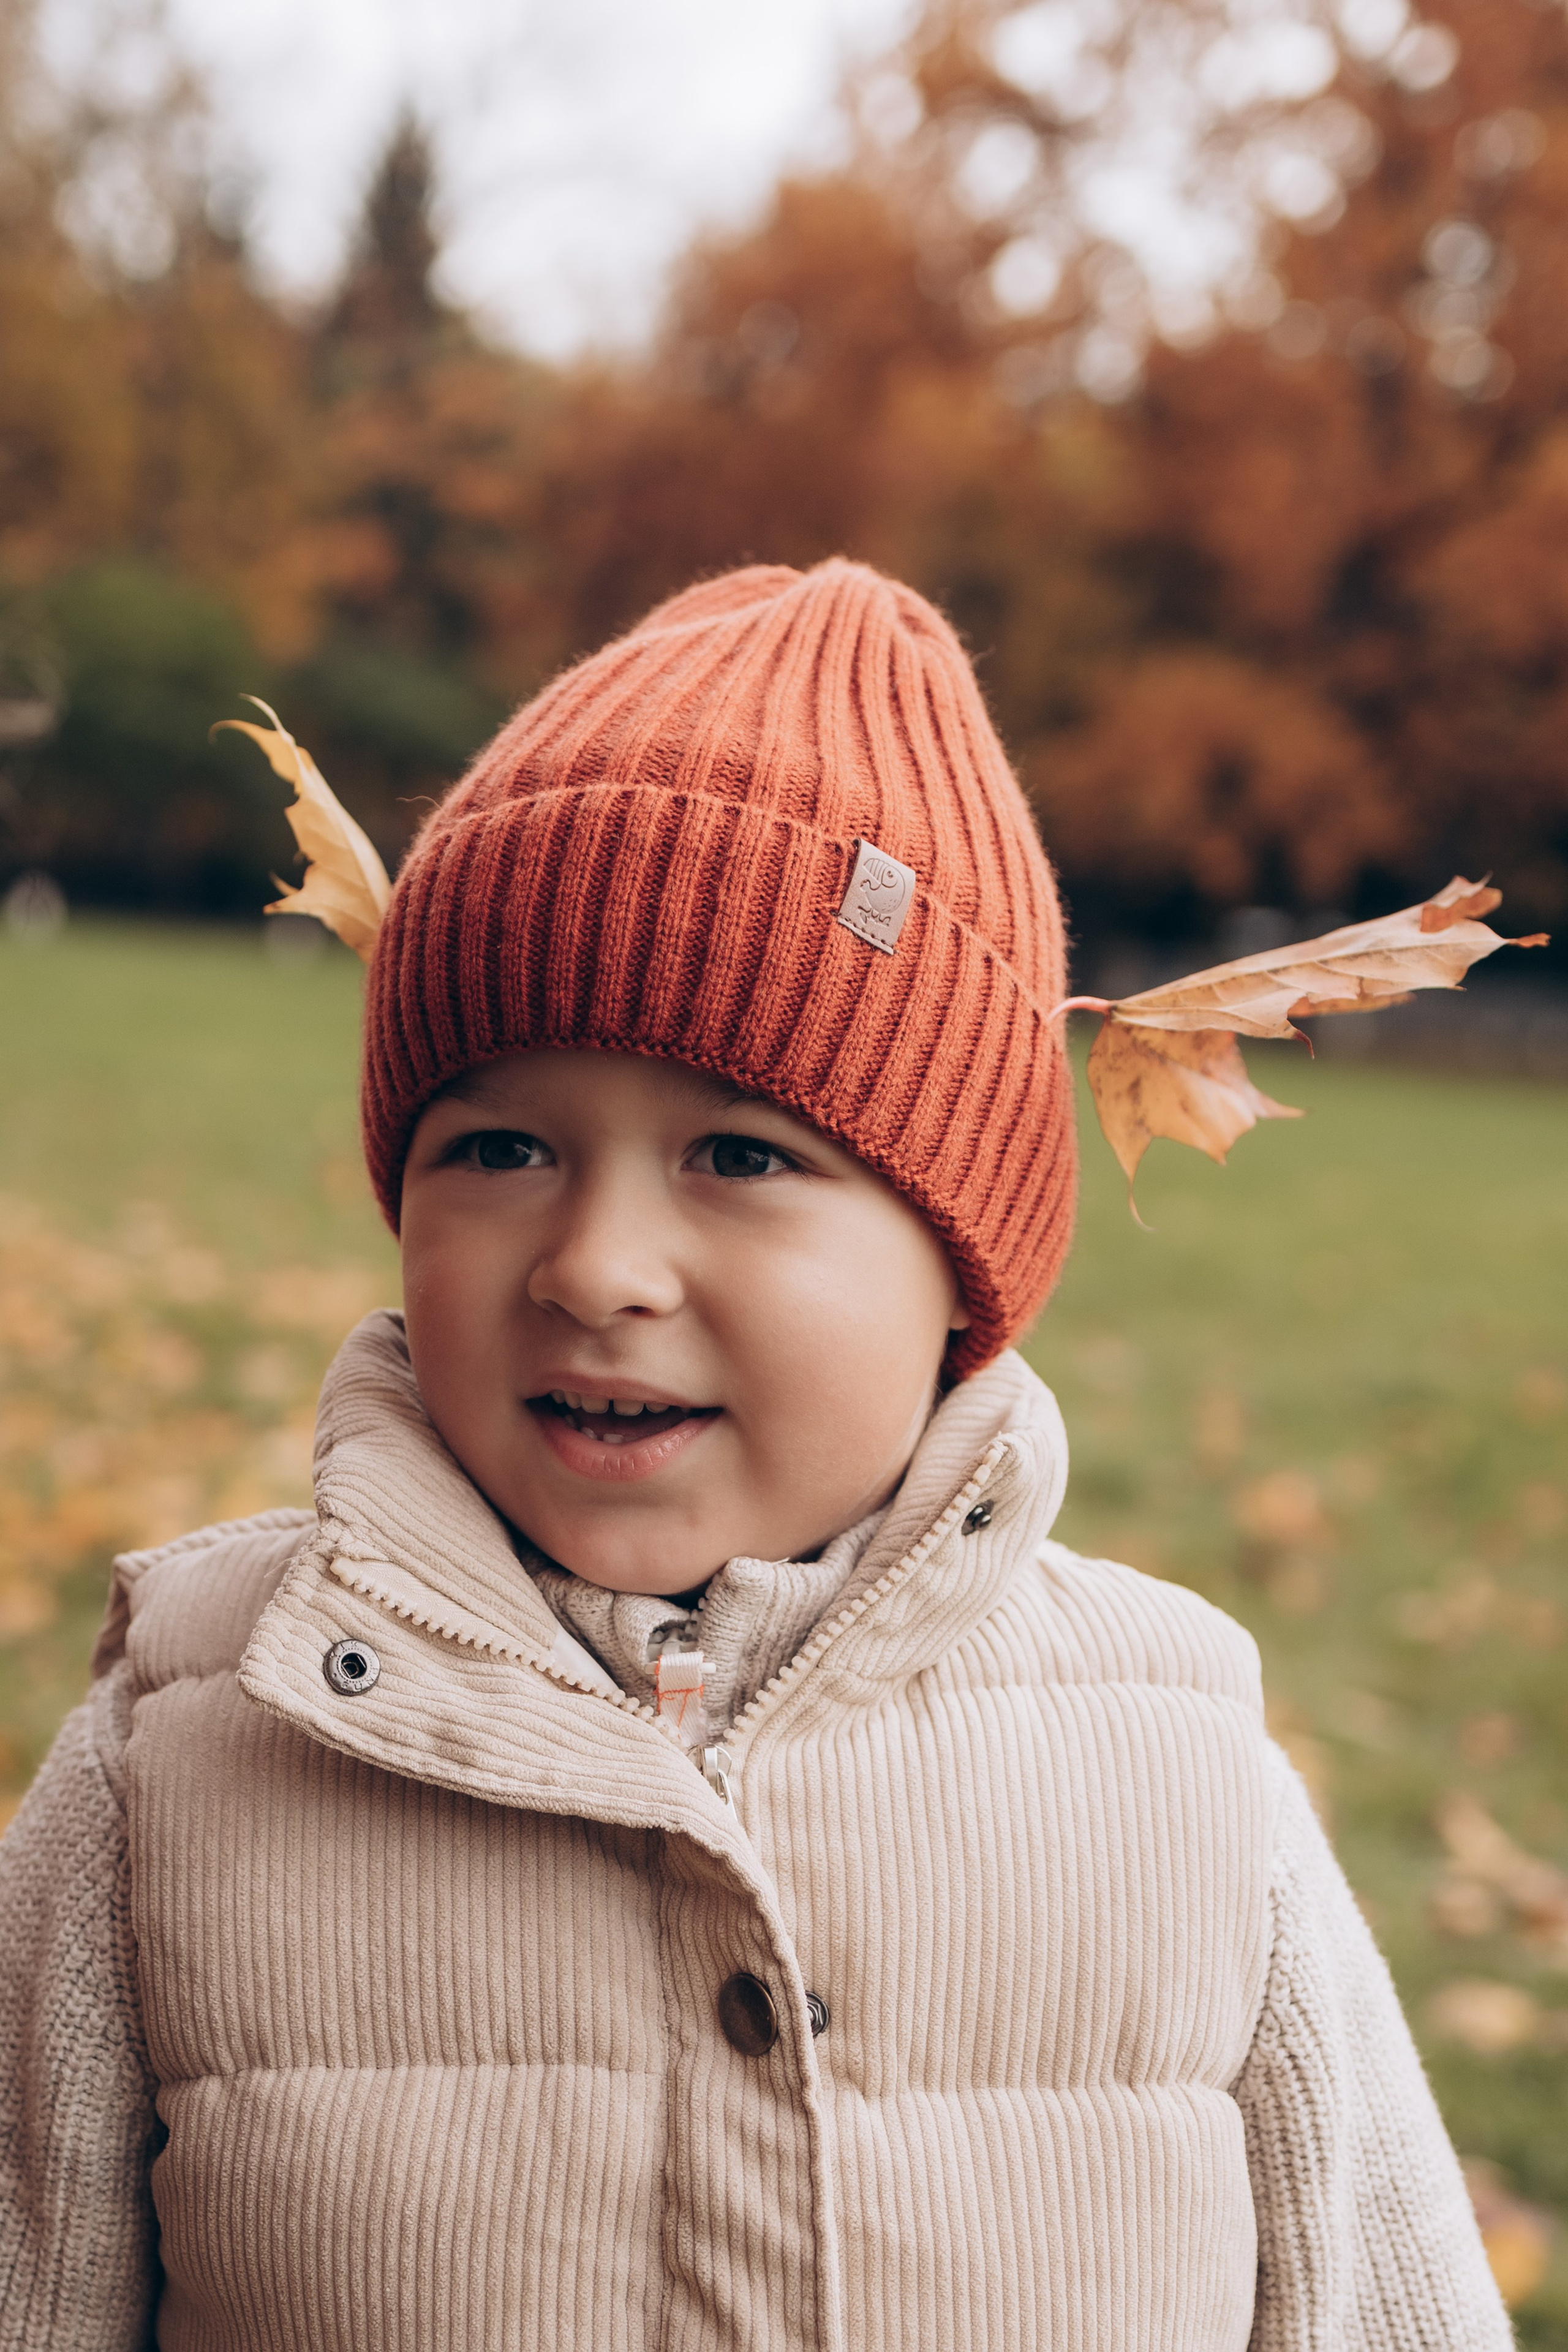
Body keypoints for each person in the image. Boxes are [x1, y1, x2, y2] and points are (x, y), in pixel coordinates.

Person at [0, 561, 1510, 2351]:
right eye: (496, 1151)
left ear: (960, 1259)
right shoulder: (182, 1754)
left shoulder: (1184, 1781)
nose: (594, 1267)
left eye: (738, 1157)